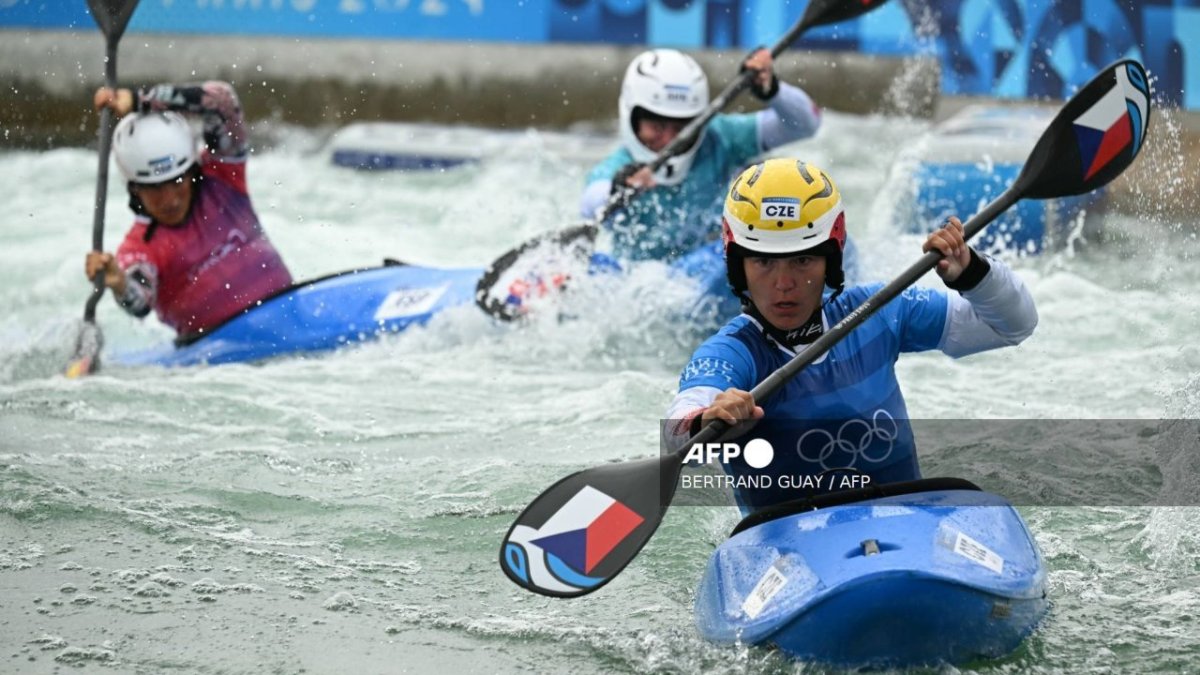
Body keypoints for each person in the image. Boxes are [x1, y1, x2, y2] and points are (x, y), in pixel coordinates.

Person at [665, 158, 1038, 513]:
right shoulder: (732, 351)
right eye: (763, 262)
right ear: (738, 266)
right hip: (786, 545)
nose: (783, 283)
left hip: (905, 525)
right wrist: (705, 421)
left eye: (802, 260)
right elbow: (677, 433)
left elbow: (1012, 325)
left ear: (831, 259)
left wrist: (973, 273)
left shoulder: (879, 310)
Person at [84, 80, 292, 341]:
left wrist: (142, 101)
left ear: (192, 171)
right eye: (155, 189)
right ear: (135, 189)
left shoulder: (222, 178)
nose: (170, 199)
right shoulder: (139, 248)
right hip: (217, 353)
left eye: (177, 182)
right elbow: (140, 300)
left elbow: (221, 100)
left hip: (289, 314)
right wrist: (119, 283)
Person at [580, 48, 822, 262]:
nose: (669, 141)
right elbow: (590, 204)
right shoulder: (615, 169)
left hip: (716, 269)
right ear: (633, 118)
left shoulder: (721, 136)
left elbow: (804, 124)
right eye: (657, 126)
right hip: (649, 289)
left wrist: (773, 91)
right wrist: (618, 189)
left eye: (681, 128)